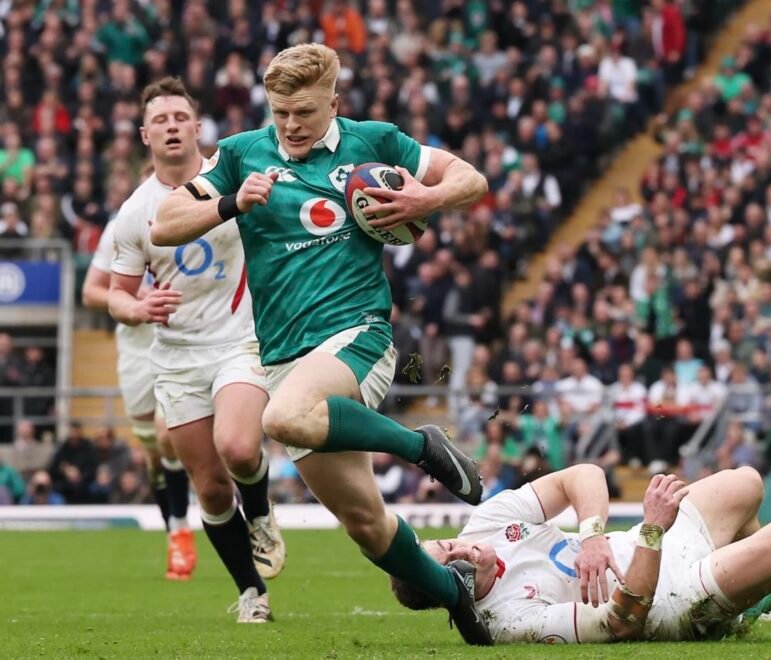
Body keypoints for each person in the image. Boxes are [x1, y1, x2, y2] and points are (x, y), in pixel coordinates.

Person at [154, 44, 491, 645]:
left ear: (334, 101)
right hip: (285, 356)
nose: (290, 125)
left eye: (304, 111)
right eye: (280, 112)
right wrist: (232, 203)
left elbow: (471, 177)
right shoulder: (239, 155)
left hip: (357, 334)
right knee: (365, 524)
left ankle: (423, 447)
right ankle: (456, 598)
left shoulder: (375, 141)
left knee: (282, 419)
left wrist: (426, 198)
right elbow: (167, 222)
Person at [107, 77, 285, 622]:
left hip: (239, 339)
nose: (172, 126)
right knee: (208, 490)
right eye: (160, 120)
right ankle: (252, 592)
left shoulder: (227, 173)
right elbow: (116, 293)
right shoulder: (135, 212)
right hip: (177, 358)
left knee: (237, 448)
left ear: (197, 126)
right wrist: (137, 308)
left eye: (180, 117)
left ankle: (259, 513)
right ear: (145, 135)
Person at [390, 464, 771, 643]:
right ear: (452, 581)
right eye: (450, 553)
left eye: (447, 539)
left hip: (641, 542)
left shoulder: (486, 524)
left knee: (748, 485)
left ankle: (752, 597)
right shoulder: (506, 621)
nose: (461, 542)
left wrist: (591, 535)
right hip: (674, 596)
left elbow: (580, 475)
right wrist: (651, 531)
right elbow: (625, 621)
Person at [83, 201, 196, 580]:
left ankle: (181, 526)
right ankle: (173, 530)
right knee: (152, 454)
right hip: (135, 348)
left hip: (185, 342)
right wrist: (134, 302)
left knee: (169, 434)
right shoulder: (123, 224)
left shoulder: (200, 214)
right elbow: (92, 293)